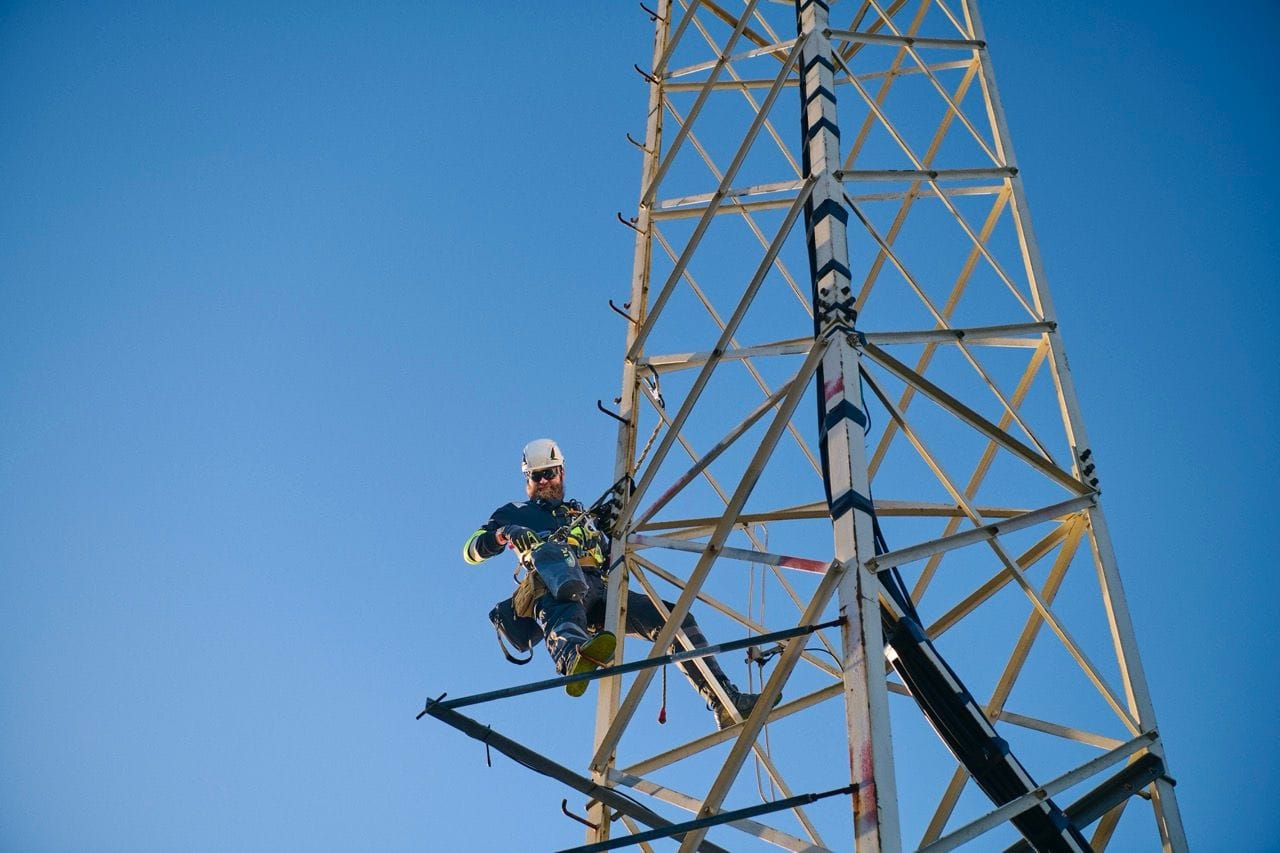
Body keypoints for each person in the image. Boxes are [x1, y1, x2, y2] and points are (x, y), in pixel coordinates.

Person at [462, 437, 771, 729]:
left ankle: (723, 700)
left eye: (549, 474)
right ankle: (572, 655)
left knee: (676, 619)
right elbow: (471, 550)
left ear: (561, 472)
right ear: (527, 480)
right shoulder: (515, 512)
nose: (543, 482)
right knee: (566, 585)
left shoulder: (580, 515)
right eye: (536, 476)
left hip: (600, 588)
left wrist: (611, 526)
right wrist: (505, 534)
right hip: (556, 584)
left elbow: (612, 555)